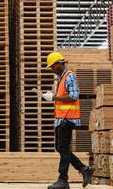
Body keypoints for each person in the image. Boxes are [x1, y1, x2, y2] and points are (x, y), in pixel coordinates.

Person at [41, 52, 94, 189]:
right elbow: (63, 97)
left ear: (59, 63)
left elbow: (74, 96)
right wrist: (52, 96)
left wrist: (54, 98)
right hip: (61, 118)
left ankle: (63, 180)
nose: (52, 70)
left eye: (53, 67)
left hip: (67, 118)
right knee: (59, 147)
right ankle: (84, 169)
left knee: (63, 148)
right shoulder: (61, 78)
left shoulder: (69, 76)